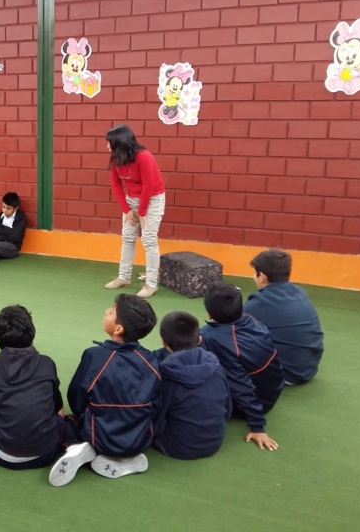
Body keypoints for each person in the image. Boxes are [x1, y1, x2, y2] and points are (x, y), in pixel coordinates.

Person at [49, 294, 161, 486]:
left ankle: (77, 447)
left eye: (111, 312)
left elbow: (76, 398)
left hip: (99, 438)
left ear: (118, 329)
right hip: (140, 441)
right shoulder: (151, 360)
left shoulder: (95, 356)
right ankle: (127, 458)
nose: (106, 311)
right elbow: (156, 401)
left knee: (64, 420)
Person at [0, 305, 76, 470]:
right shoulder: (47, 362)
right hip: (47, 453)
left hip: (4, 455)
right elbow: (57, 406)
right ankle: (71, 444)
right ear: (32, 332)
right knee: (58, 408)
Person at [201, 282, 284, 451]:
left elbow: (240, 385)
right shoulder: (253, 321)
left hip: (254, 404)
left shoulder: (212, 338)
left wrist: (257, 426)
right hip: (273, 391)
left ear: (209, 314)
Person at [152, 311, 231, 460]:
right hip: (214, 442)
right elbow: (228, 407)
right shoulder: (216, 366)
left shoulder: (165, 375)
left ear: (163, 342)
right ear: (199, 339)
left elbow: (157, 420)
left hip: (177, 447)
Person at [243, 249, 324, 385]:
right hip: (308, 369)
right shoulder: (299, 292)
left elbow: (231, 329)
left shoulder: (260, 302)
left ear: (262, 276)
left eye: (254, 273)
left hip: (287, 374)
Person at [103, 125, 166, 298]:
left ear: (120, 142)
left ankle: (151, 284)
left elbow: (149, 185)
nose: (107, 147)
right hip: (132, 199)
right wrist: (127, 210)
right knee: (128, 238)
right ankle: (124, 277)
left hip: (152, 199)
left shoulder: (144, 156)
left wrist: (142, 212)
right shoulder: (115, 158)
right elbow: (116, 185)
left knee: (149, 240)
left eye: (110, 143)